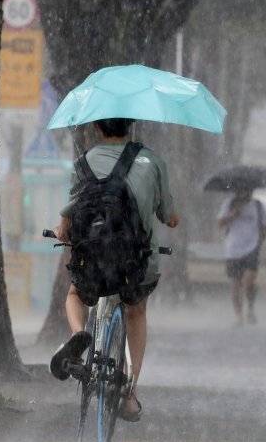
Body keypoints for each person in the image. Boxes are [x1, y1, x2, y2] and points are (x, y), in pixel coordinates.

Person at [50, 118, 179, 422]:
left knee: (75, 295)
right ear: (131, 126)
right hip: (136, 264)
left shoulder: (83, 164)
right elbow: (169, 218)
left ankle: (80, 335)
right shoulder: (152, 160)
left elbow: (68, 223)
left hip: (94, 263)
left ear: (97, 126)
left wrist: (60, 232)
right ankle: (131, 395)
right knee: (135, 311)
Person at [217, 189, 266, 326]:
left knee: (249, 282)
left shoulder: (258, 205)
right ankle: (239, 316)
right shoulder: (229, 204)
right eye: (244, 190)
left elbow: (264, 225)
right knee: (235, 285)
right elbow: (220, 223)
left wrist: (260, 240)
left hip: (252, 247)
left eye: (249, 190)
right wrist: (233, 214)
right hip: (233, 250)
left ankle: (250, 310)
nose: (247, 193)